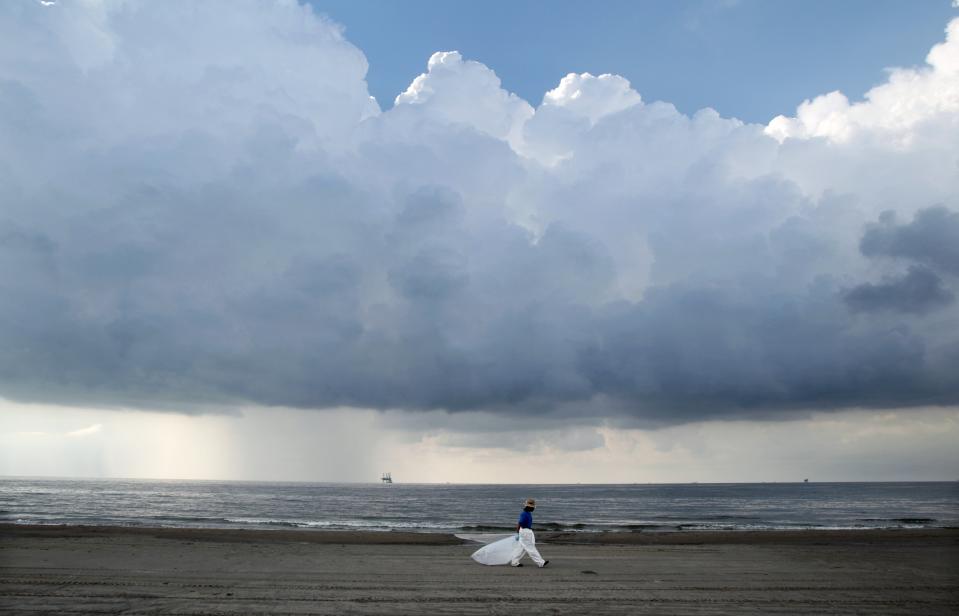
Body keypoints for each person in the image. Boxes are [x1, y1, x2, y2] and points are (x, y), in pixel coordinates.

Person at [510, 498, 549, 568]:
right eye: (532, 508)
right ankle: (541, 562)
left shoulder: (527, 513)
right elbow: (520, 523)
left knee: (521, 548)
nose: (533, 509)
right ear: (529, 507)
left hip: (526, 531)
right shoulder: (524, 514)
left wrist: (519, 533)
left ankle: (514, 562)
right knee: (530, 548)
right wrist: (517, 533)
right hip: (525, 532)